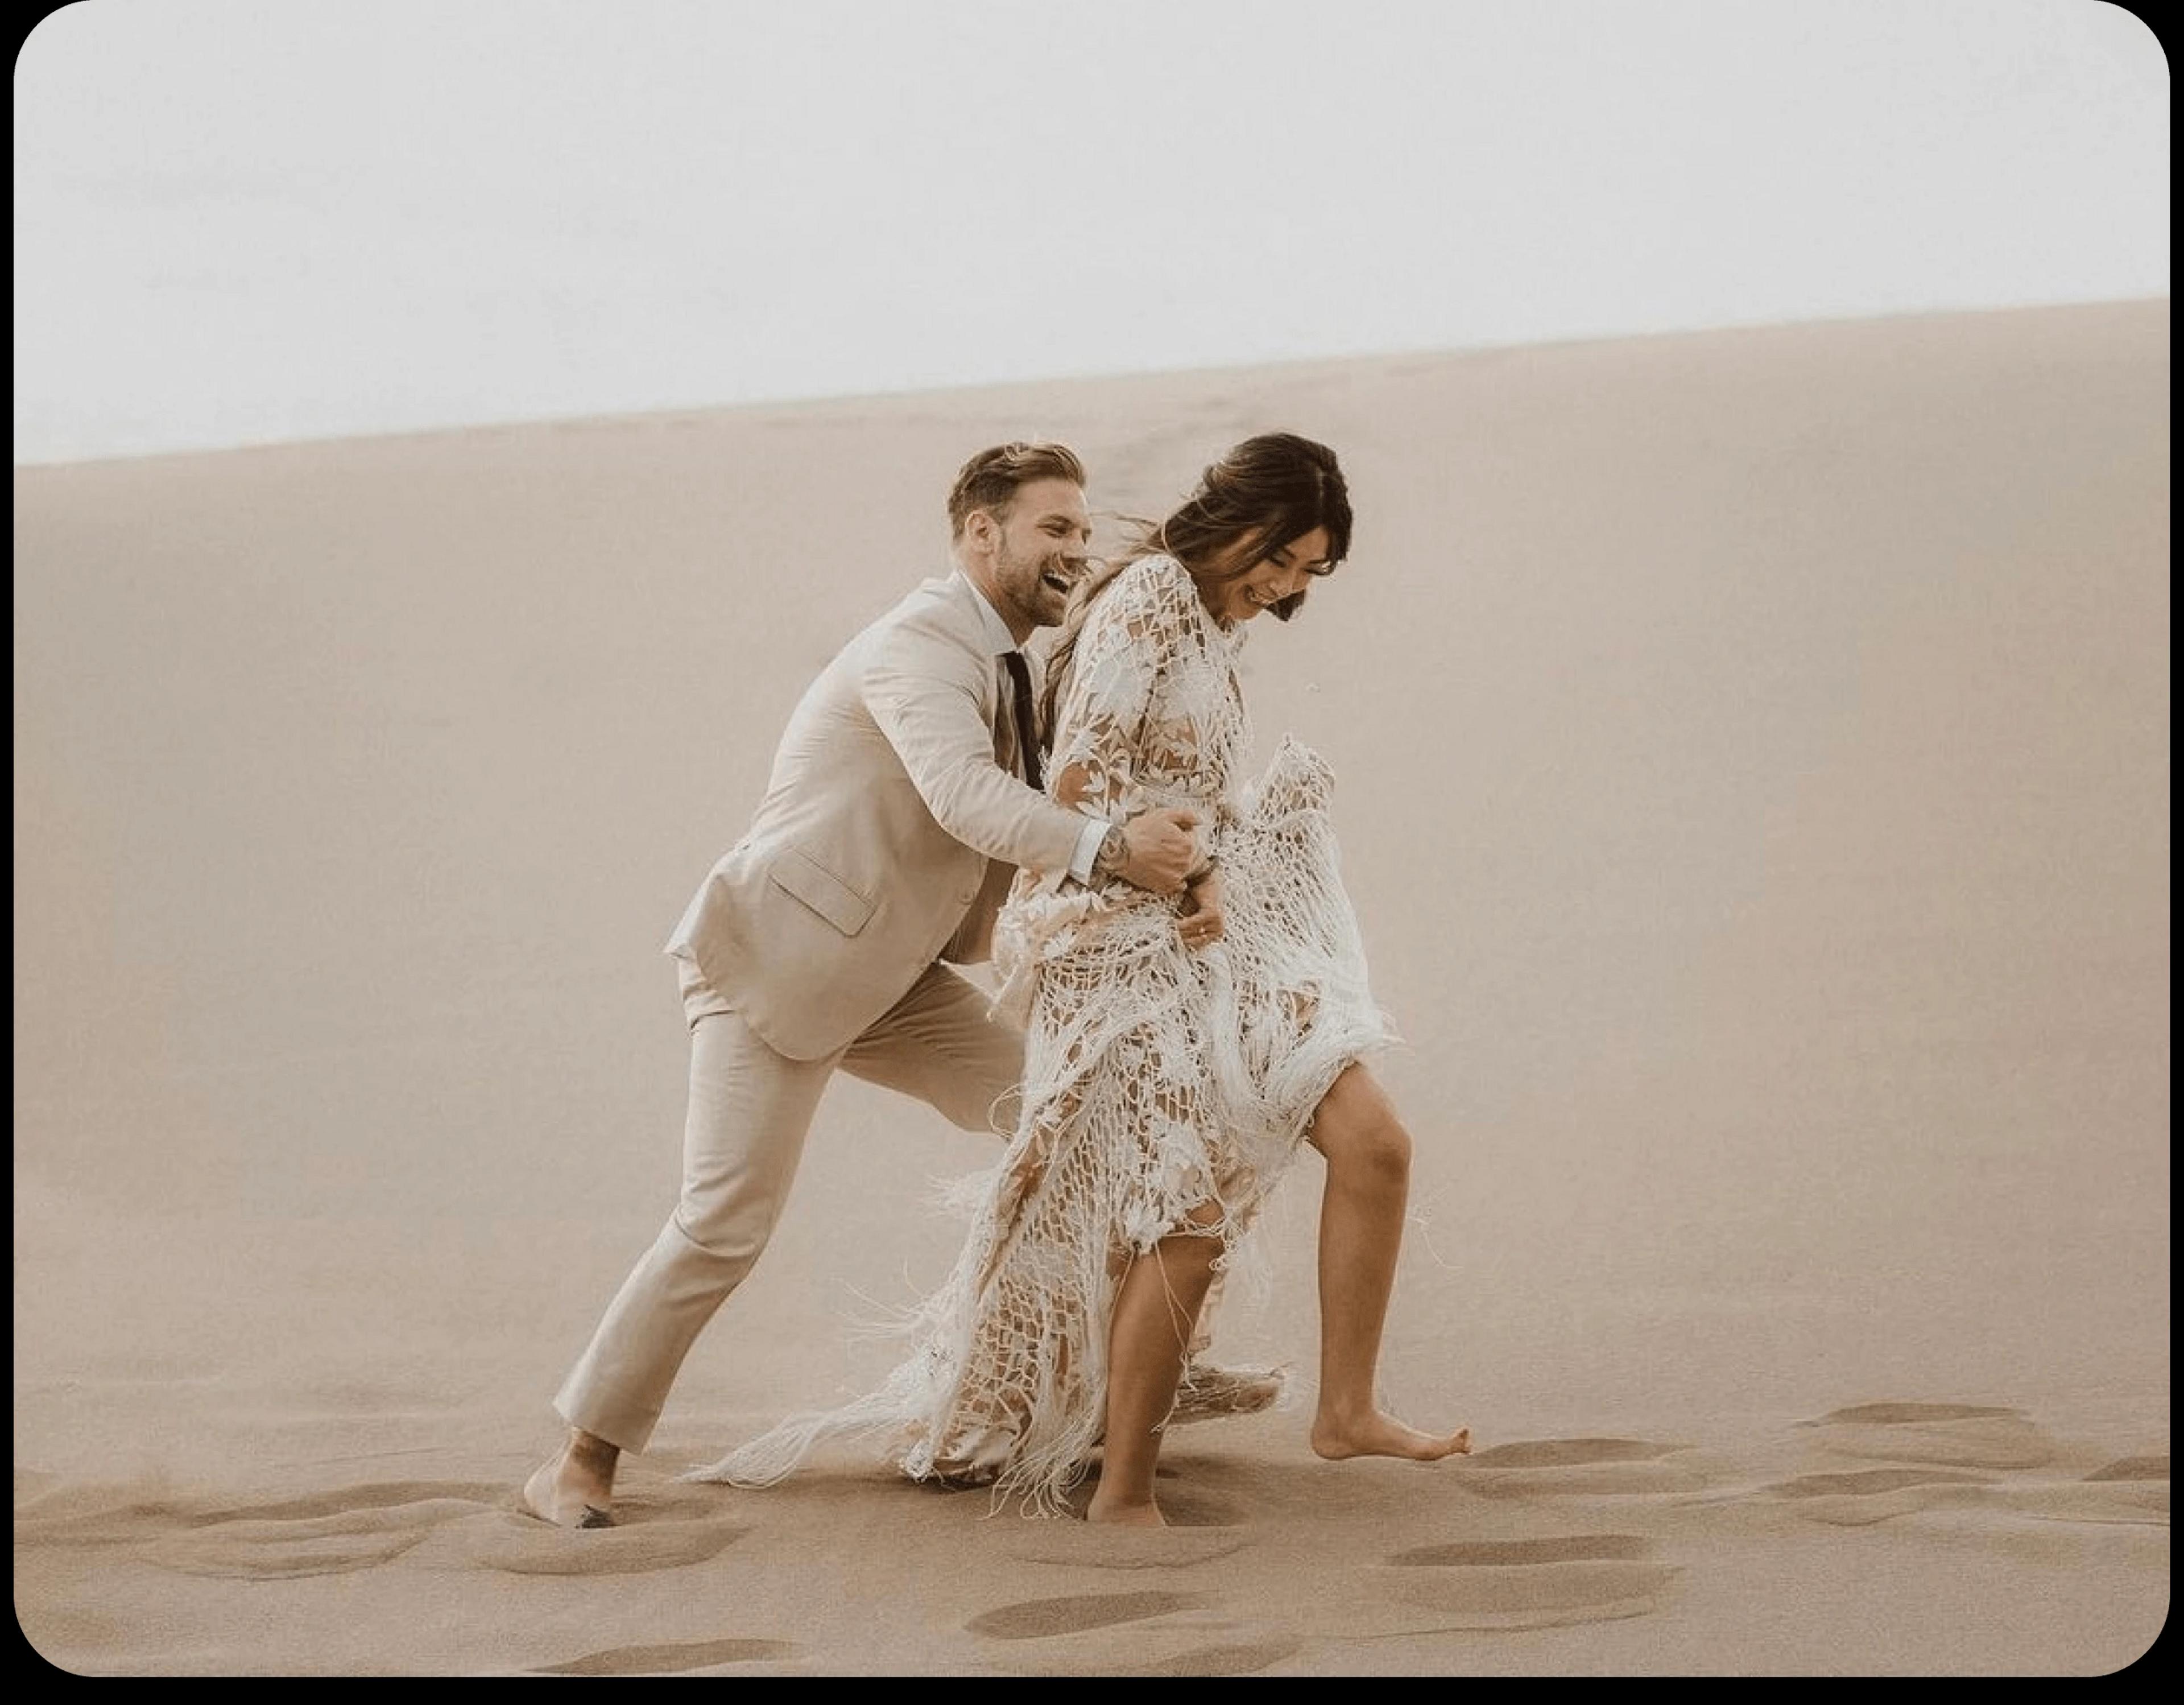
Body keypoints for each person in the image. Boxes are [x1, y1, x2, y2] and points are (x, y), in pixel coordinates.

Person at [691, 433, 1469, 1525]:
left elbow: (1171, 793)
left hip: (1192, 936)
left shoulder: (1211, 624)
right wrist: (1168, 857)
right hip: (1110, 946)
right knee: (1176, 1207)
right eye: (1284, 559)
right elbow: (1083, 776)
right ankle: (1124, 1490)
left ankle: (1340, 1409)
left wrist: (1214, 858)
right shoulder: (1151, 595)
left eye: (1310, 574)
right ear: (1238, 519)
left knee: (1349, 1149)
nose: (1290, 588)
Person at [521, 441, 1277, 1529]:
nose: (1076, 548)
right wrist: (1113, 847)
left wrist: (1194, 865)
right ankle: (578, 1460)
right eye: (1051, 529)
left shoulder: (1017, 660)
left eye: (1083, 528)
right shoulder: (919, 641)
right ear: (981, 534)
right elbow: (969, 797)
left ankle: (1141, 1376)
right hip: (776, 963)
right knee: (722, 1222)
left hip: (895, 979)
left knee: (1081, 1128)